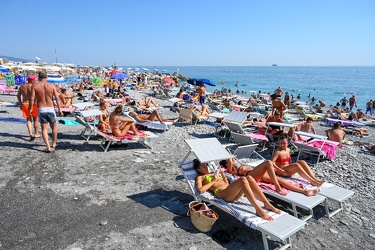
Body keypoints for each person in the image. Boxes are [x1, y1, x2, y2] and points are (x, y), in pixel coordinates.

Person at [193, 159, 281, 221]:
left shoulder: (214, 173)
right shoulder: (200, 177)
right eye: (203, 166)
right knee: (243, 179)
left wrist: (222, 175)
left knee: (249, 178)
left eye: (205, 165)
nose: (206, 167)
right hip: (222, 194)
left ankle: (266, 203)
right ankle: (258, 210)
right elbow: (200, 190)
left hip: (231, 192)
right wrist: (214, 181)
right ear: (198, 169)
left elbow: (226, 184)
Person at [220, 158, 319, 196]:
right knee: (267, 163)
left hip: (257, 174)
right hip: (251, 176)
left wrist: (279, 170)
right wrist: (229, 160)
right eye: (231, 160)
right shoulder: (231, 169)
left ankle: (305, 191)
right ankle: (277, 187)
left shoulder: (236, 165)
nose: (233, 160)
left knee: (279, 179)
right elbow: (228, 162)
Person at [29, 71, 63, 152]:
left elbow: (32, 98)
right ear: (46, 77)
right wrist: (59, 109)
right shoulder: (51, 86)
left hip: (41, 109)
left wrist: (30, 108)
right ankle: (54, 143)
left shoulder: (35, 86)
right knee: (54, 126)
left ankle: (48, 146)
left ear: (38, 77)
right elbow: (57, 98)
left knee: (44, 129)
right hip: (51, 108)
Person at [17, 75, 40, 141]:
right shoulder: (34, 86)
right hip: (34, 104)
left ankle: (30, 133)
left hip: (25, 104)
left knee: (28, 119)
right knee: (35, 119)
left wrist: (20, 103)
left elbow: (18, 95)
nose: (36, 81)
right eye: (36, 80)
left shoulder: (22, 86)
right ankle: (36, 133)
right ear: (32, 80)